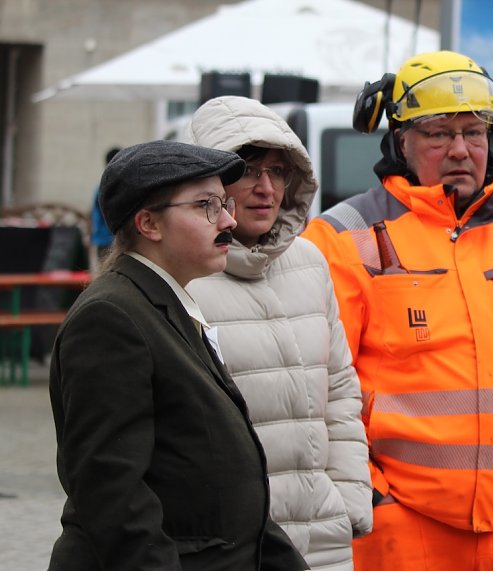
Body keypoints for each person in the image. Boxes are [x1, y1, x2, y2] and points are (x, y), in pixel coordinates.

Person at [302, 50, 493, 571]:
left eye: (474, 132)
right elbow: (318, 387)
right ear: (400, 142)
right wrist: (374, 498)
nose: (460, 149)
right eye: (438, 133)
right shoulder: (341, 240)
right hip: (402, 528)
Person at [47, 140, 308, 571]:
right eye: (206, 205)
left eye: (225, 202)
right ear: (149, 223)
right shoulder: (111, 317)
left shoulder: (164, 302)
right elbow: (112, 495)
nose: (228, 219)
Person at [184, 96, 372, 570]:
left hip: (321, 535)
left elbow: (341, 390)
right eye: (247, 170)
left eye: (278, 171)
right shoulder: (181, 277)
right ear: (206, 181)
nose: (266, 187)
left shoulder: (310, 263)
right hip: (228, 546)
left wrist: (348, 498)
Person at [89, 146, 122, 270]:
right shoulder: (111, 188)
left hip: (102, 239)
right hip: (112, 240)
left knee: (105, 273)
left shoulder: (99, 187)